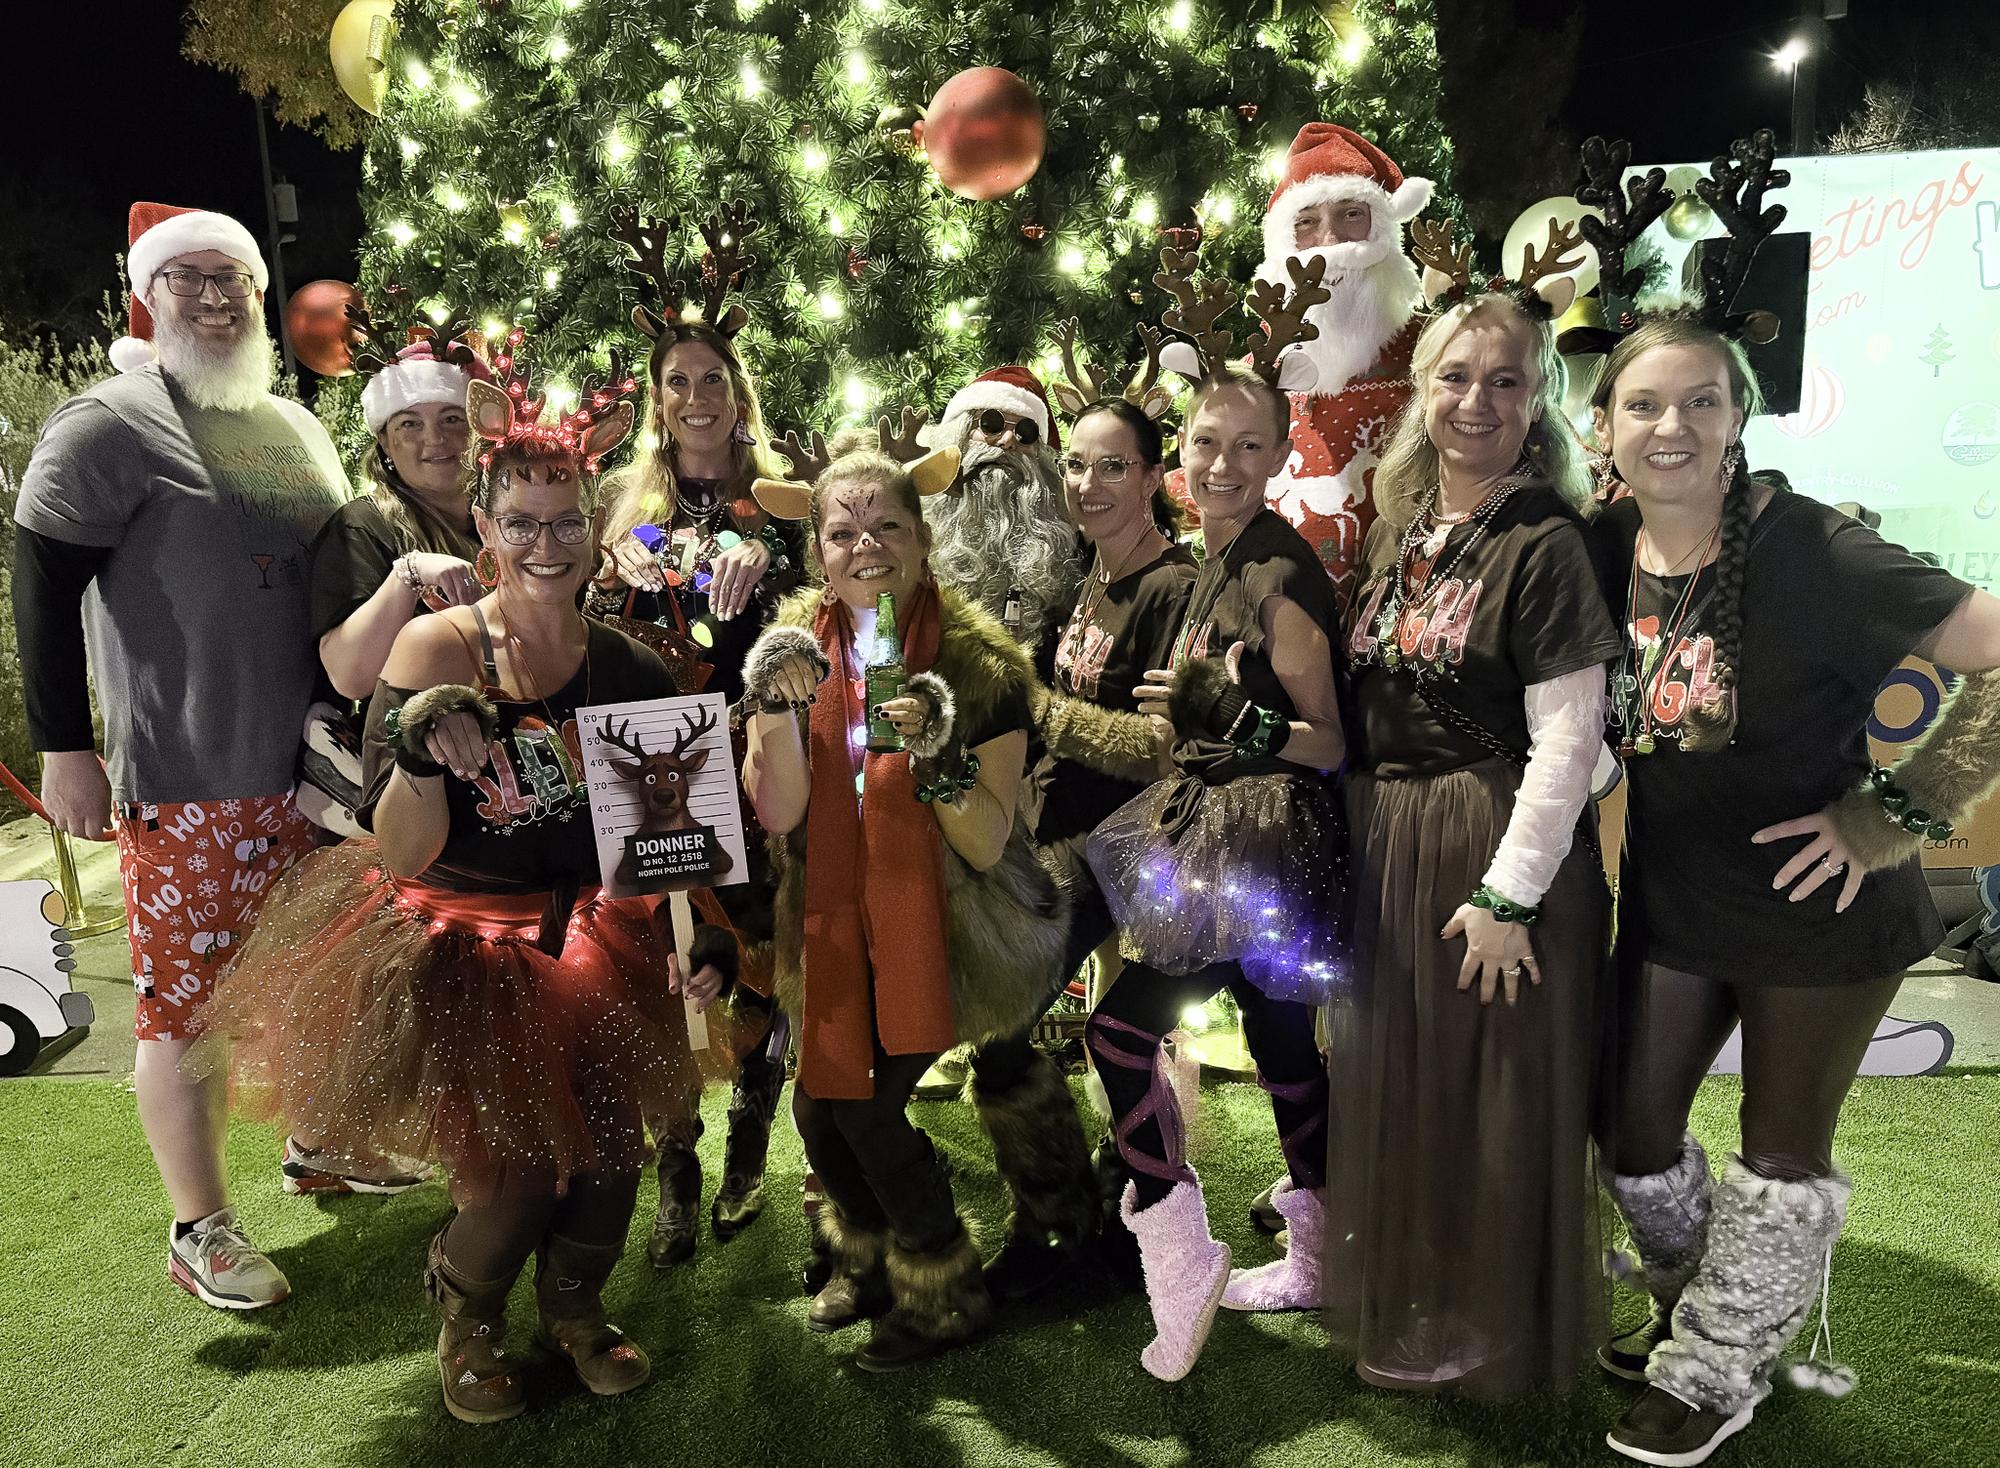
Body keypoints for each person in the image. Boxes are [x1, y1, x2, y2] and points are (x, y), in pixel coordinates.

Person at [192, 367, 728, 1422]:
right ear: (484, 522)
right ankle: (466, 1312)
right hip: (463, 951)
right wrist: (428, 757)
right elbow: (400, 849)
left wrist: (701, 933)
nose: (546, 543)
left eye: (566, 521)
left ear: (593, 525)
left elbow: (673, 842)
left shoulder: (626, 665)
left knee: (613, 1159)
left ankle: (573, 1308)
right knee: (514, 1183)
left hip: (599, 946)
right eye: (521, 521)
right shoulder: (434, 645)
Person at [1587, 314, 2000, 1464]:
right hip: (1675, 901)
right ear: (1603, 424)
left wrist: (1896, 816)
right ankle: (1710, 1301)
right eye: (1642, 405)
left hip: (1821, 912)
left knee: (1777, 1157)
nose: (1670, 427)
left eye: (1700, 403)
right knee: (1630, 1137)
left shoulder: (1812, 548)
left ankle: (1719, 1366)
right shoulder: (1597, 543)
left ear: (1736, 420)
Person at [11, 202, 345, 1310]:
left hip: (317, 775)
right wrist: (66, 744)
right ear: (147, 295)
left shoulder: (290, 424)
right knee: (186, 1012)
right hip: (189, 779)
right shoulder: (109, 421)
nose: (215, 294)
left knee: (321, 976)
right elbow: (44, 580)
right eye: (190, 276)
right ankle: (199, 1226)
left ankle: (321, 1143)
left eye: (235, 276)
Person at [1325, 250, 1618, 1396]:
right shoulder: (1402, 532)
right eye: (1455, 377)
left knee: (1488, 1094)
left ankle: (1493, 1315)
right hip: (1395, 839)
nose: (1476, 402)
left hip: (1488, 844)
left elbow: (1571, 739)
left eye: (1506, 381)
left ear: (1536, 398)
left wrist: (1508, 895)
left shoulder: (1543, 540)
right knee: (1419, 1090)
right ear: (1421, 391)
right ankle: (1436, 1291)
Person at [740, 441, 1067, 1371]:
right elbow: (784, 812)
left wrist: (934, 757)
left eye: (887, 524)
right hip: (838, 926)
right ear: (818, 552)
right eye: (842, 531)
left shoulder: (980, 662)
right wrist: (770, 707)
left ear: (923, 539)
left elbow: (986, 840)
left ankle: (943, 1287)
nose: (866, 545)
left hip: (958, 927)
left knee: (872, 1109)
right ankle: (873, 1258)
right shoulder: (798, 646)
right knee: (816, 1112)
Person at [1083, 361, 1352, 1383]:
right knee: (1283, 1044)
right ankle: (1318, 1255)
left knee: (1117, 1030)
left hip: (1260, 850)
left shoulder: (1279, 573)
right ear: (1178, 455)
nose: (1222, 463)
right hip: (1208, 833)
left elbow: (1326, 743)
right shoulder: (1209, 559)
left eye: (1247, 445)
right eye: (1204, 442)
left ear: (1281, 453)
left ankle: (1179, 1248)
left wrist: (1237, 722)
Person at [596, 206, 805, 1264]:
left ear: (738, 392)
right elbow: (587, 644)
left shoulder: (782, 504)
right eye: (674, 382)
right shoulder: (622, 509)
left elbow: (828, 620)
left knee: (757, 958)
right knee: (663, 969)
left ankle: (749, 1143)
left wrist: (774, 579)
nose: (693, 399)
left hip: (754, 756)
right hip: (656, 762)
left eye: (711, 379)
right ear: (657, 400)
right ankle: (673, 1170)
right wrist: (618, 582)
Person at [976, 391, 1196, 1301]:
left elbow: (1160, 747)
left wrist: (1040, 715)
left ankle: (1107, 1224)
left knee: (1025, 1032)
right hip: (1066, 847)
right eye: (1078, 464)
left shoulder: (1173, 588)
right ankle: (1082, 1219)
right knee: (1011, 1034)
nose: (1089, 483)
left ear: (1152, 476)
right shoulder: (1089, 579)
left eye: (1114, 466)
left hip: (1129, 854)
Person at [280, 327, 487, 1196]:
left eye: (452, 420)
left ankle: (337, 1141)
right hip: (380, 773)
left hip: (465, 759)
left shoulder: (497, 509)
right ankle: (326, 1138)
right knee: (378, 973)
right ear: (383, 443)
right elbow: (347, 670)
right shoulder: (367, 527)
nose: (435, 440)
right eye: (412, 426)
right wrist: (407, 576)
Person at [920, 364, 1083, 648]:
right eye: (992, 424)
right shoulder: (915, 529)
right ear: (959, 436)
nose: (1007, 441)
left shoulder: (1070, 545)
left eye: (1025, 432)